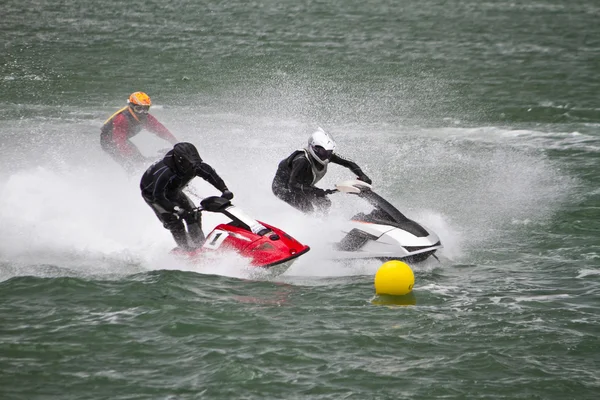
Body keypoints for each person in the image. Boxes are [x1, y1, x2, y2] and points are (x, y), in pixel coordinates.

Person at [140, 142, 234, 250]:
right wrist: (175, 209)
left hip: (174, 191)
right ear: (180, 161)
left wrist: (224, 190)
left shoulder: (195, 165)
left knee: (193, 214)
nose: (193, 166)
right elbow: (158, 196)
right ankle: (185, 250)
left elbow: (210, 175)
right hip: (154, 196)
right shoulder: (166, 172)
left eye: (195, 163)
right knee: (175, 222)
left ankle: (199, 245)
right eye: (189, 164)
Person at [272, 127, 372, 214]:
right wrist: (314, 191)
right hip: (283, 188)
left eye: (329, 152)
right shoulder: (301, 161)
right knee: (308, 208)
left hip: (303, 185)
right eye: (323, 152)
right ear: (313, 148)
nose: (326, 156)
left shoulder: (326, 155)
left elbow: (348, 163)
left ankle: (323, 224)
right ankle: (310, 227)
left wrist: (362, 175)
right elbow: (292, 185)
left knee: (325, 203)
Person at [101, 92, 178, 172]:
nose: (142, 112)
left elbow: (160, 130)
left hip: (123, 140)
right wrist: (138, 161)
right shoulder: (121, 119)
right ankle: (133, 180)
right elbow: (120, 143)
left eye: (145, 109)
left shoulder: (145, 117)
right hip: (109, 143)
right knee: (130, 164)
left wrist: (175, 143)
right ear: (131, 107)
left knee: (140, 159)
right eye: (138, 109)